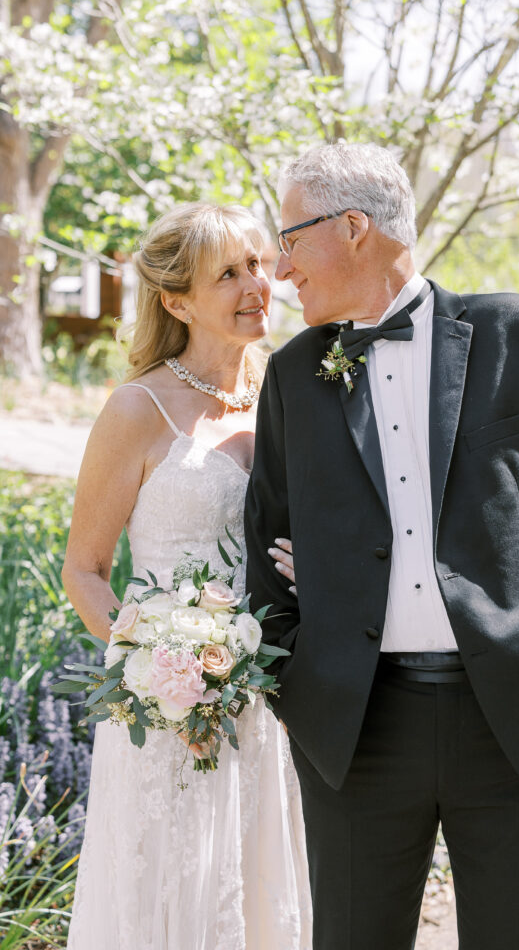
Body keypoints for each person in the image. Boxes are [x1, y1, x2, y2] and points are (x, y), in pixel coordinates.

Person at [244, 143, 519, 950]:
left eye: (289, 239)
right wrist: (297, 690)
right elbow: (265, 550)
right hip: (356, 732)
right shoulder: (293, 375)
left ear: (353, 226)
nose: (280, 271)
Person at [62, 203, 312, 950]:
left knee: (261, 877)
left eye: (261, 265)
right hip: (168, 713)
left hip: (272, 698)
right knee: (171, 889)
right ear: (176, 300)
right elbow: (86, 570)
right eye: (228, 273)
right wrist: (155, 667)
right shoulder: (137, 410)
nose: (256, 285)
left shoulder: (289, 397)